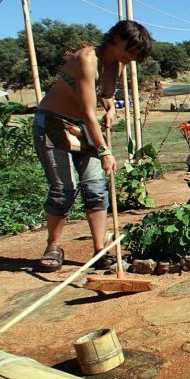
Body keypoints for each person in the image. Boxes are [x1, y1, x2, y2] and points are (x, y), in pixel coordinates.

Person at [34, 20, 153, 272]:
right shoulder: (86, 60)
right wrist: (105, 152)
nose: (132, 58)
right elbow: (90, 113)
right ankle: (53, 246)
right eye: (130, 51)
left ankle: (100, 250)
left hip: (82, 126)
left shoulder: (116, 65)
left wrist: (110, 106)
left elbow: (104, 95)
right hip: (54, 124)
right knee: (64, 188)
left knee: (96, 187)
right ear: (117, 39)